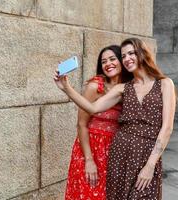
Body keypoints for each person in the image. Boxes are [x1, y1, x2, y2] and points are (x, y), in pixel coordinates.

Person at [54, 38, 176, 200]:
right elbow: (92, 108)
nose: (127, 58)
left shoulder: (165, 84)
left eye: (131, 53)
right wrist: (66, 88)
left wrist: (150, 164)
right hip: (120, 153)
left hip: (147, 154)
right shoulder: (123, 88)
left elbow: (166, 127)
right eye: (124, 55)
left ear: (142, 53)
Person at [63, 45, 133, 200]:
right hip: (92, 149)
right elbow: (81, 124)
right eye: (103, 61)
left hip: (115, 151)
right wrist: (89, 160)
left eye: (113, 59)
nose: (108, 64)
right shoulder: (95, 86)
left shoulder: (129, 88)